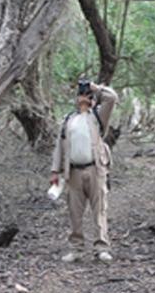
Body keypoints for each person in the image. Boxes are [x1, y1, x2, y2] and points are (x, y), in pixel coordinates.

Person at [50, 79, 118, 263]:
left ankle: (102, 249)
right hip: (73, 173)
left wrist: (96, 88)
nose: (84, 97)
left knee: (99, 210)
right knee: (75, 212)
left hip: (95, 169)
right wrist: (55, 171)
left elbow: (111, 98)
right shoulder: (68, 120)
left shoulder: (97, 116)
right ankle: (76, 249)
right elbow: (59, 147)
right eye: (81, 94)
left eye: (87, 95)